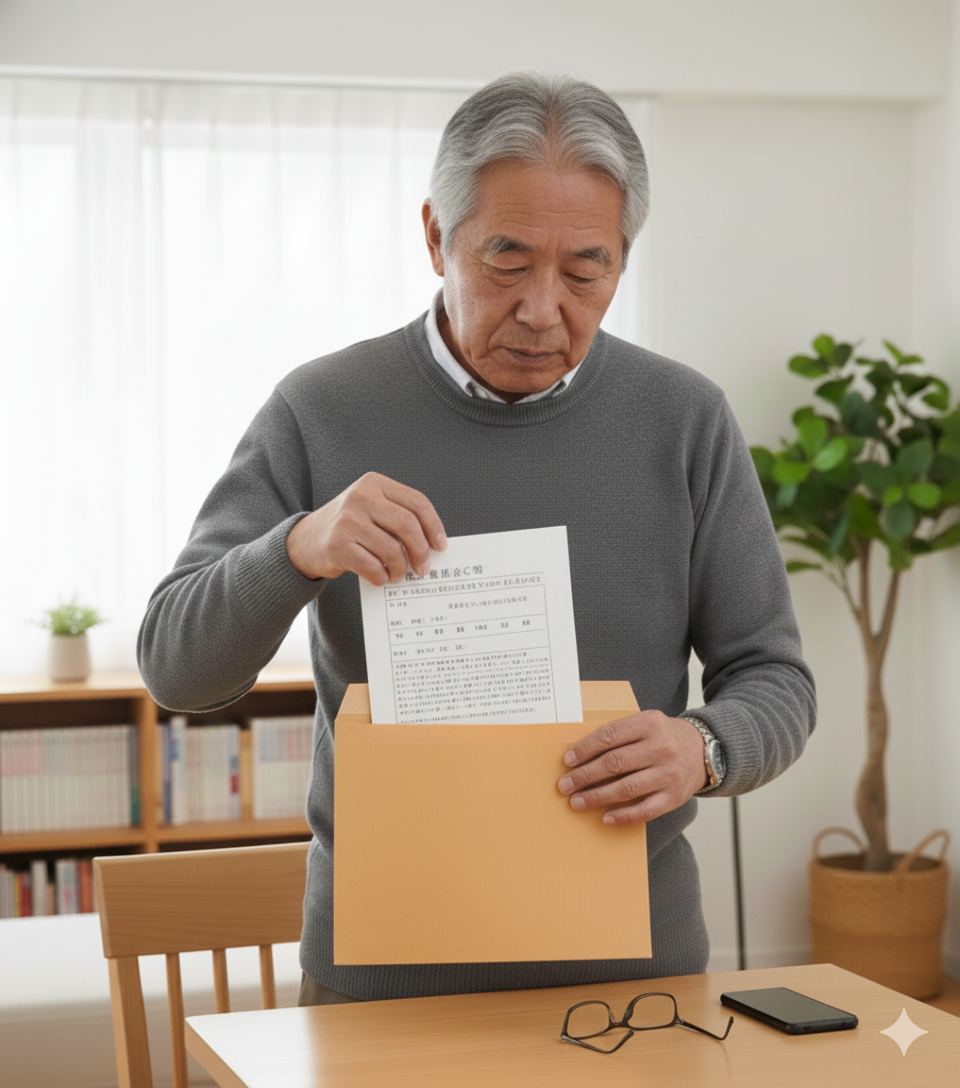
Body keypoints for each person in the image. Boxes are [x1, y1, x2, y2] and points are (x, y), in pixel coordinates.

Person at [139, 71, 816, 1004]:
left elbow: (776, 679)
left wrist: (703, 747)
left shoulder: (686, 419)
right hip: (382, 980)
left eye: (588, 269)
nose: (545, 309)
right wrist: (297, 546)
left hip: (634, 984)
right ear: (434, 237)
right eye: (507, 261)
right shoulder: (319, 409)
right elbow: (177, 668)